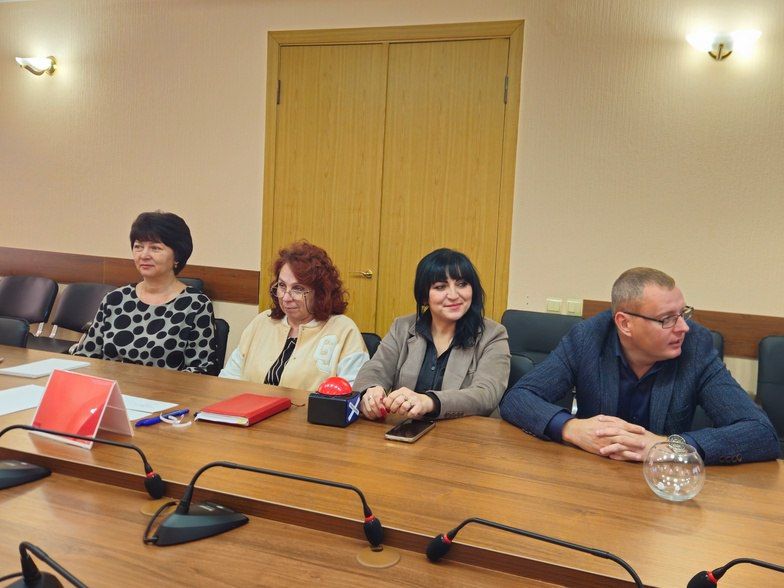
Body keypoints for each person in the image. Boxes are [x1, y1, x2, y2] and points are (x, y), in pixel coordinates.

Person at [500, 267, 780, 465]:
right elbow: (518, 398)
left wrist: (668, 447)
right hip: (591, 479)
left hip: (664, 489)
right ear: (624, 323)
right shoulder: (587, 339)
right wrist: (571, 429)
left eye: (683, 313)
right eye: (667, 319)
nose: (683, 327)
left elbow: (761, 433)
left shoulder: (696, 347)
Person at [355, 248, 510, 420]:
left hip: (468, 433)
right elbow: (375, 369)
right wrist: (371, 390)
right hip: (407, 428)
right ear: (424, 297)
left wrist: (430, 402)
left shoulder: (493, 334)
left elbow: (486, 395)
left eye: (461, 284)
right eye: (440, 287)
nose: (453, 295)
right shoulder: (402, 327)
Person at [72, 211, 216, 373]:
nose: (144, 255)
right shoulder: (115, 299)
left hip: (164, 389)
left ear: (177, 256)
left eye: (155, 248)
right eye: (138, 247)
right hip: (111, 386)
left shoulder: (196, 305)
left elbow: (201, 369)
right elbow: (87, 355)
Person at [220, 241, 367, 388]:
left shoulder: (343, 330)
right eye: (282, 286)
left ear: (320, 293)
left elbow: (353, 391)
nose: (286, 297)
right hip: (249, 402)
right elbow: (228, 379)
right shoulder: (262, 322)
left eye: (298, 289)